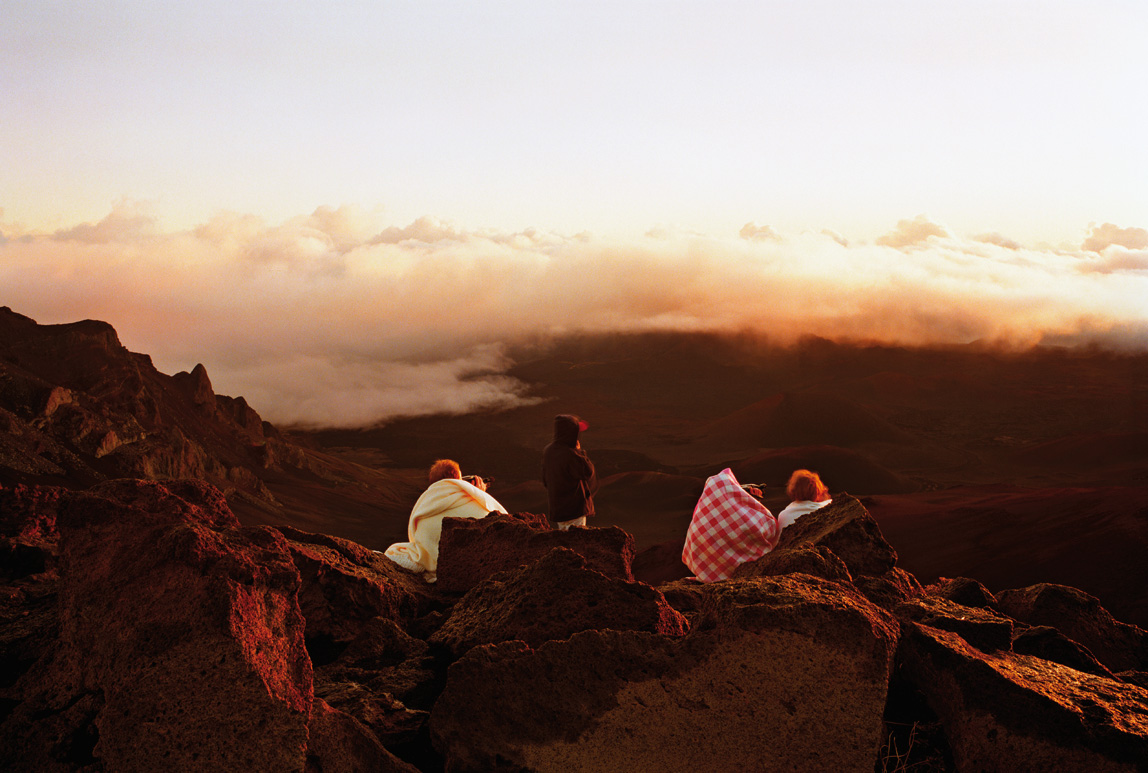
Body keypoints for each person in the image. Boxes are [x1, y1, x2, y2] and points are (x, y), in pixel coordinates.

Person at [383, 459, 506, 582]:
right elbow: (502, 517)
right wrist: (478, 493)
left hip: (443, 566)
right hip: (485, 560)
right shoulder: (478, 497)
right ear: (459, 477)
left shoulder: (425, 502)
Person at [682, 467, 780, 582]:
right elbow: (773, 537)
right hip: (748, 576)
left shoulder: (701, 519)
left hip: (707, 576)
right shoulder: (758, 520)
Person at [542, 414, 597, 530]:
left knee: (564, 541)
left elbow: (545, 480)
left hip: (558, 510)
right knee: (577, 542)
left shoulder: (548, 451)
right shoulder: (570, 454)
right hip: (575, 510)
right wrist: (579, 452)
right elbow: (588, 472)